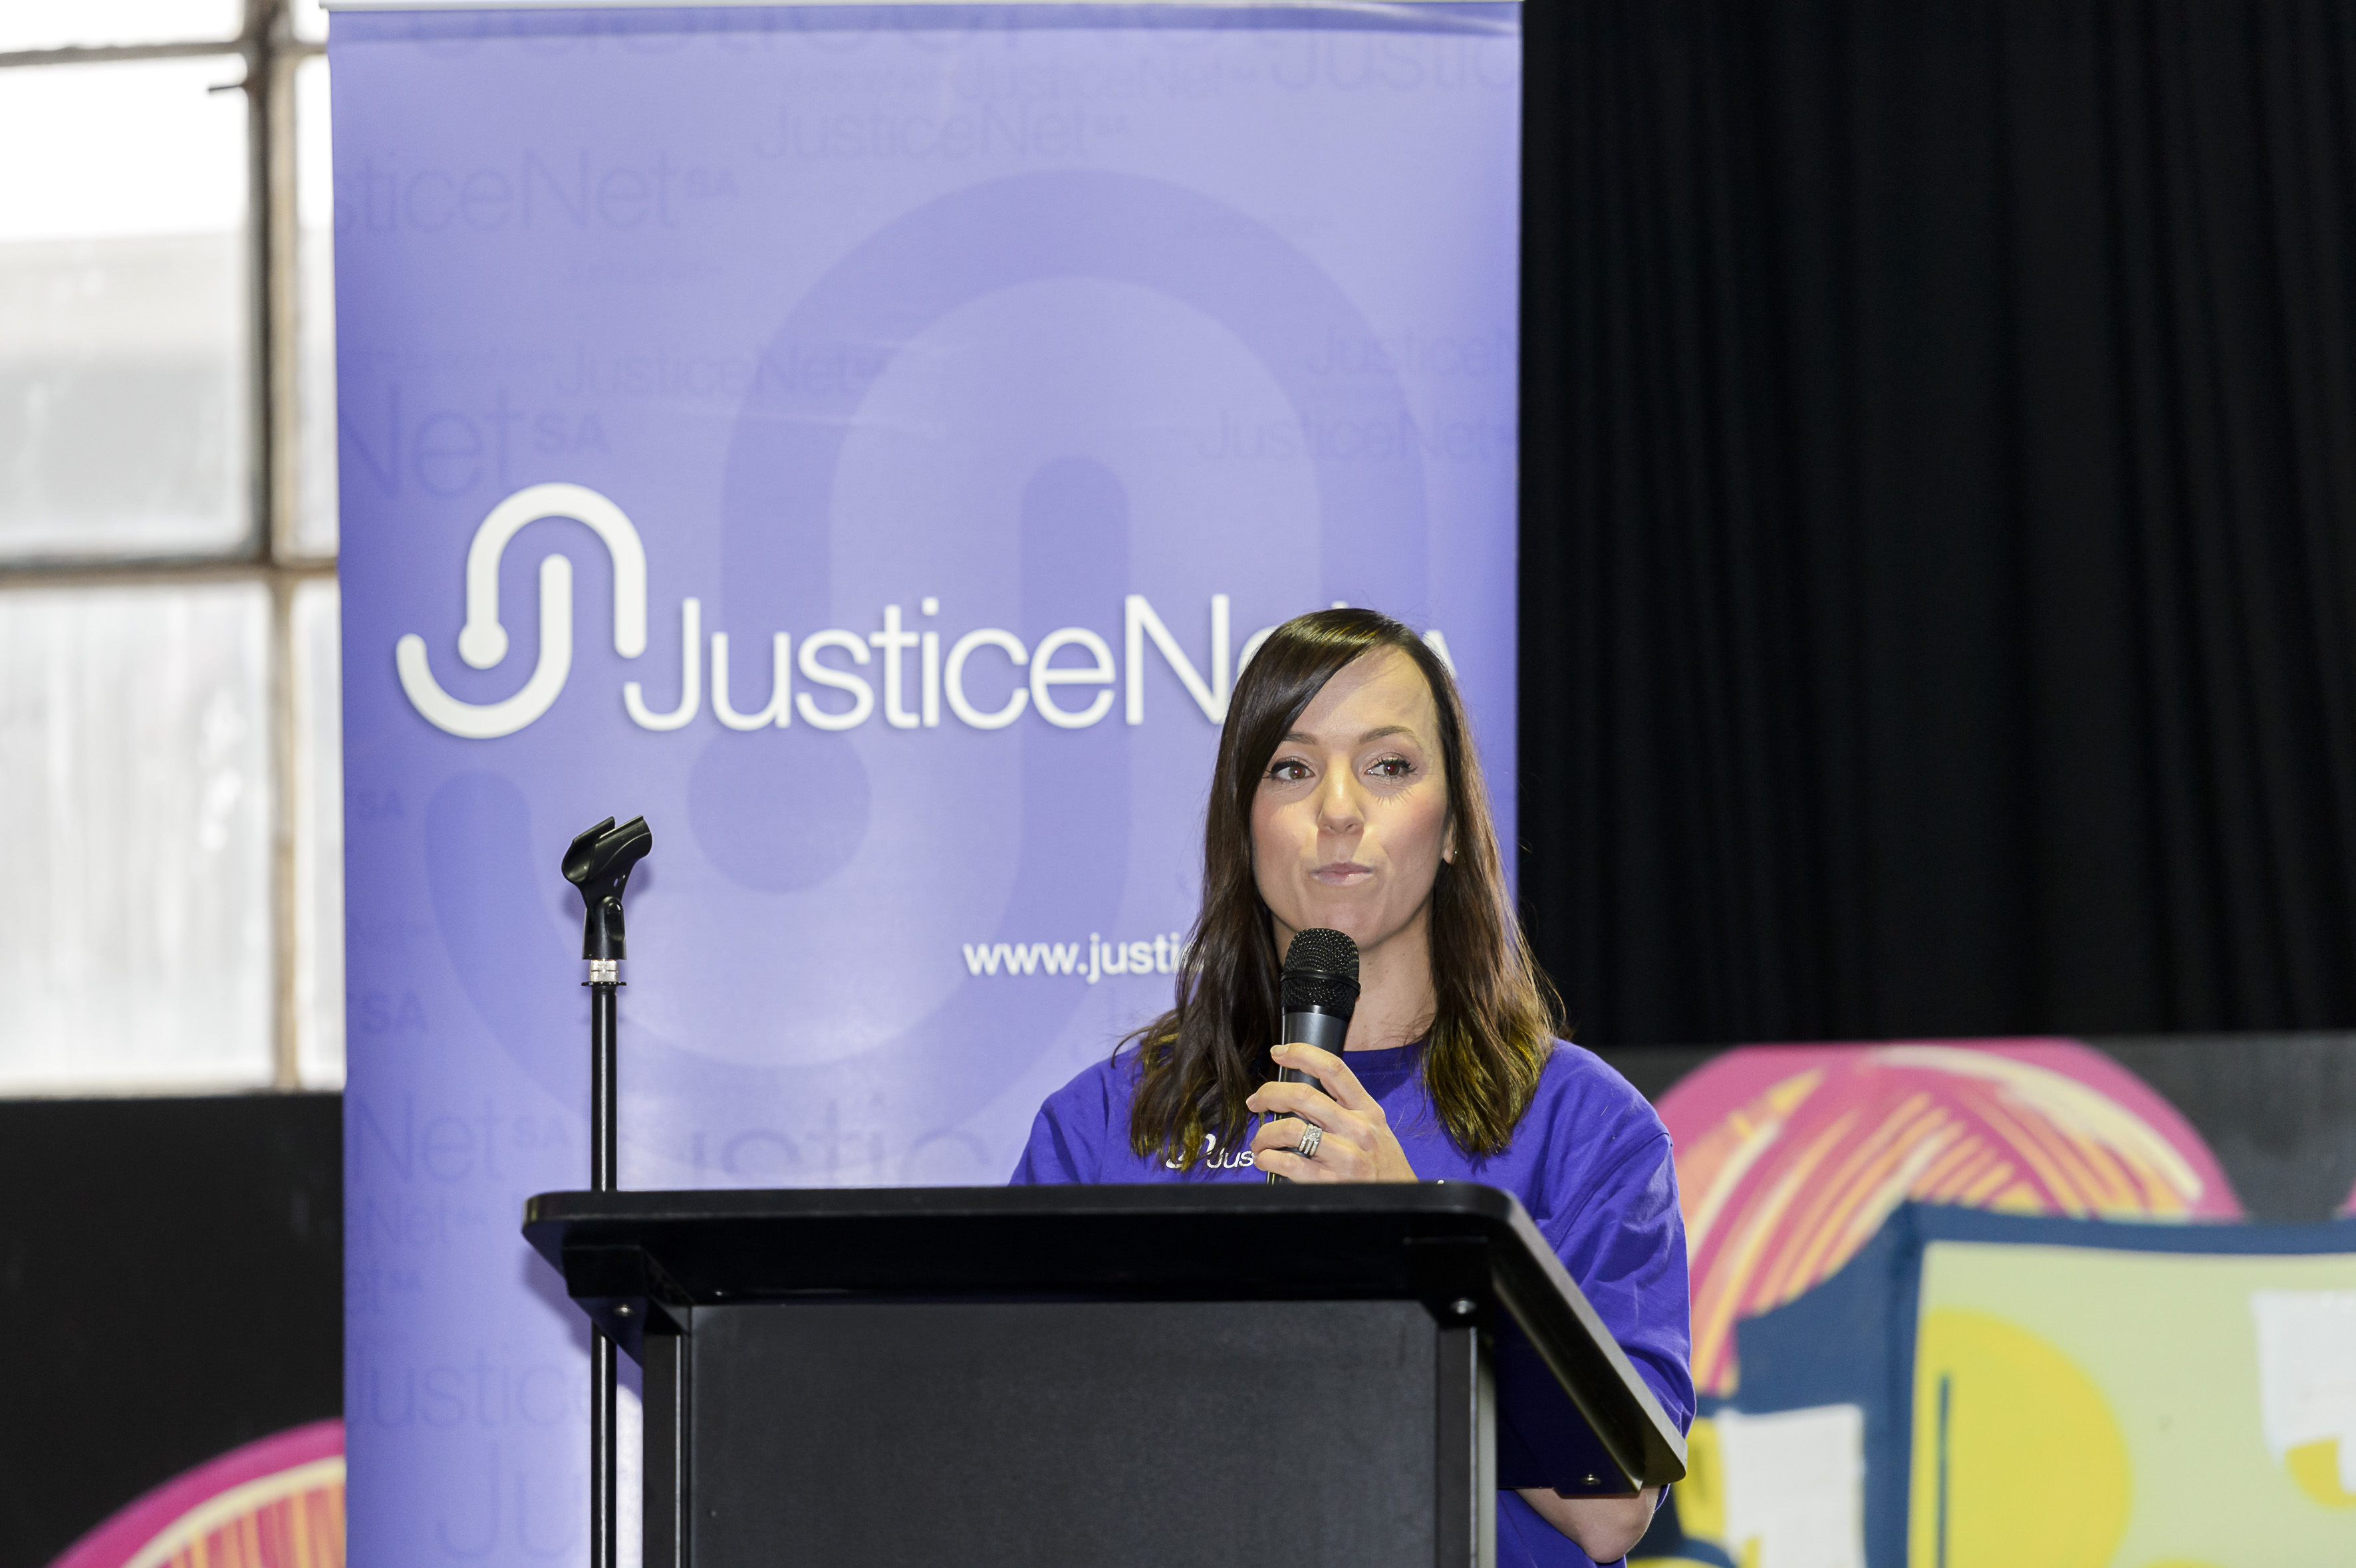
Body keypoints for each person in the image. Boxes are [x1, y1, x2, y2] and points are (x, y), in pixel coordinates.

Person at [1009, 608, 1694, 1568]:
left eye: (1389, 765)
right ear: (1242, 825)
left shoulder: (1585, 1127)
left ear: (1452, 827)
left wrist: (1420, 1239)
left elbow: (1611, 1508)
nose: (1338, 808)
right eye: (1292, 768)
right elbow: (1013, 1454)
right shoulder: (1106, 1125)